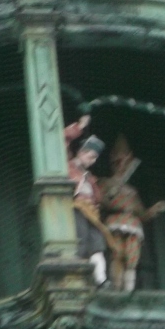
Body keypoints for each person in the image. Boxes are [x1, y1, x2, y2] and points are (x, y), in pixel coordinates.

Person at [99, 135, 165, 291]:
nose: (121, 166)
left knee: (132, 257)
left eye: (124, 163)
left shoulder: (132, 191)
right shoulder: (105, 182)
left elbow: (141, 214)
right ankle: (116, 287)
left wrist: (154, 209)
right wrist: (113, 190)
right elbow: (101, 200)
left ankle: (128, 289)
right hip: (115, 221)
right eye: (117, 162)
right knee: (117, 254)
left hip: (133, 223)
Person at [65, 116, 114, 286]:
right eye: (91, 156)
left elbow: (98, 198)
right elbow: (62, 140)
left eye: (95, 158)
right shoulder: (67, 165)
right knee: (80, 241)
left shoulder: (90, 177)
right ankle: (76, 277)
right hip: (75, 207)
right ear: (81, 152)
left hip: (91, 211)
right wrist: (79, 127)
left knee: (97, 243)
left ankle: (100, 279)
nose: (93, 161)